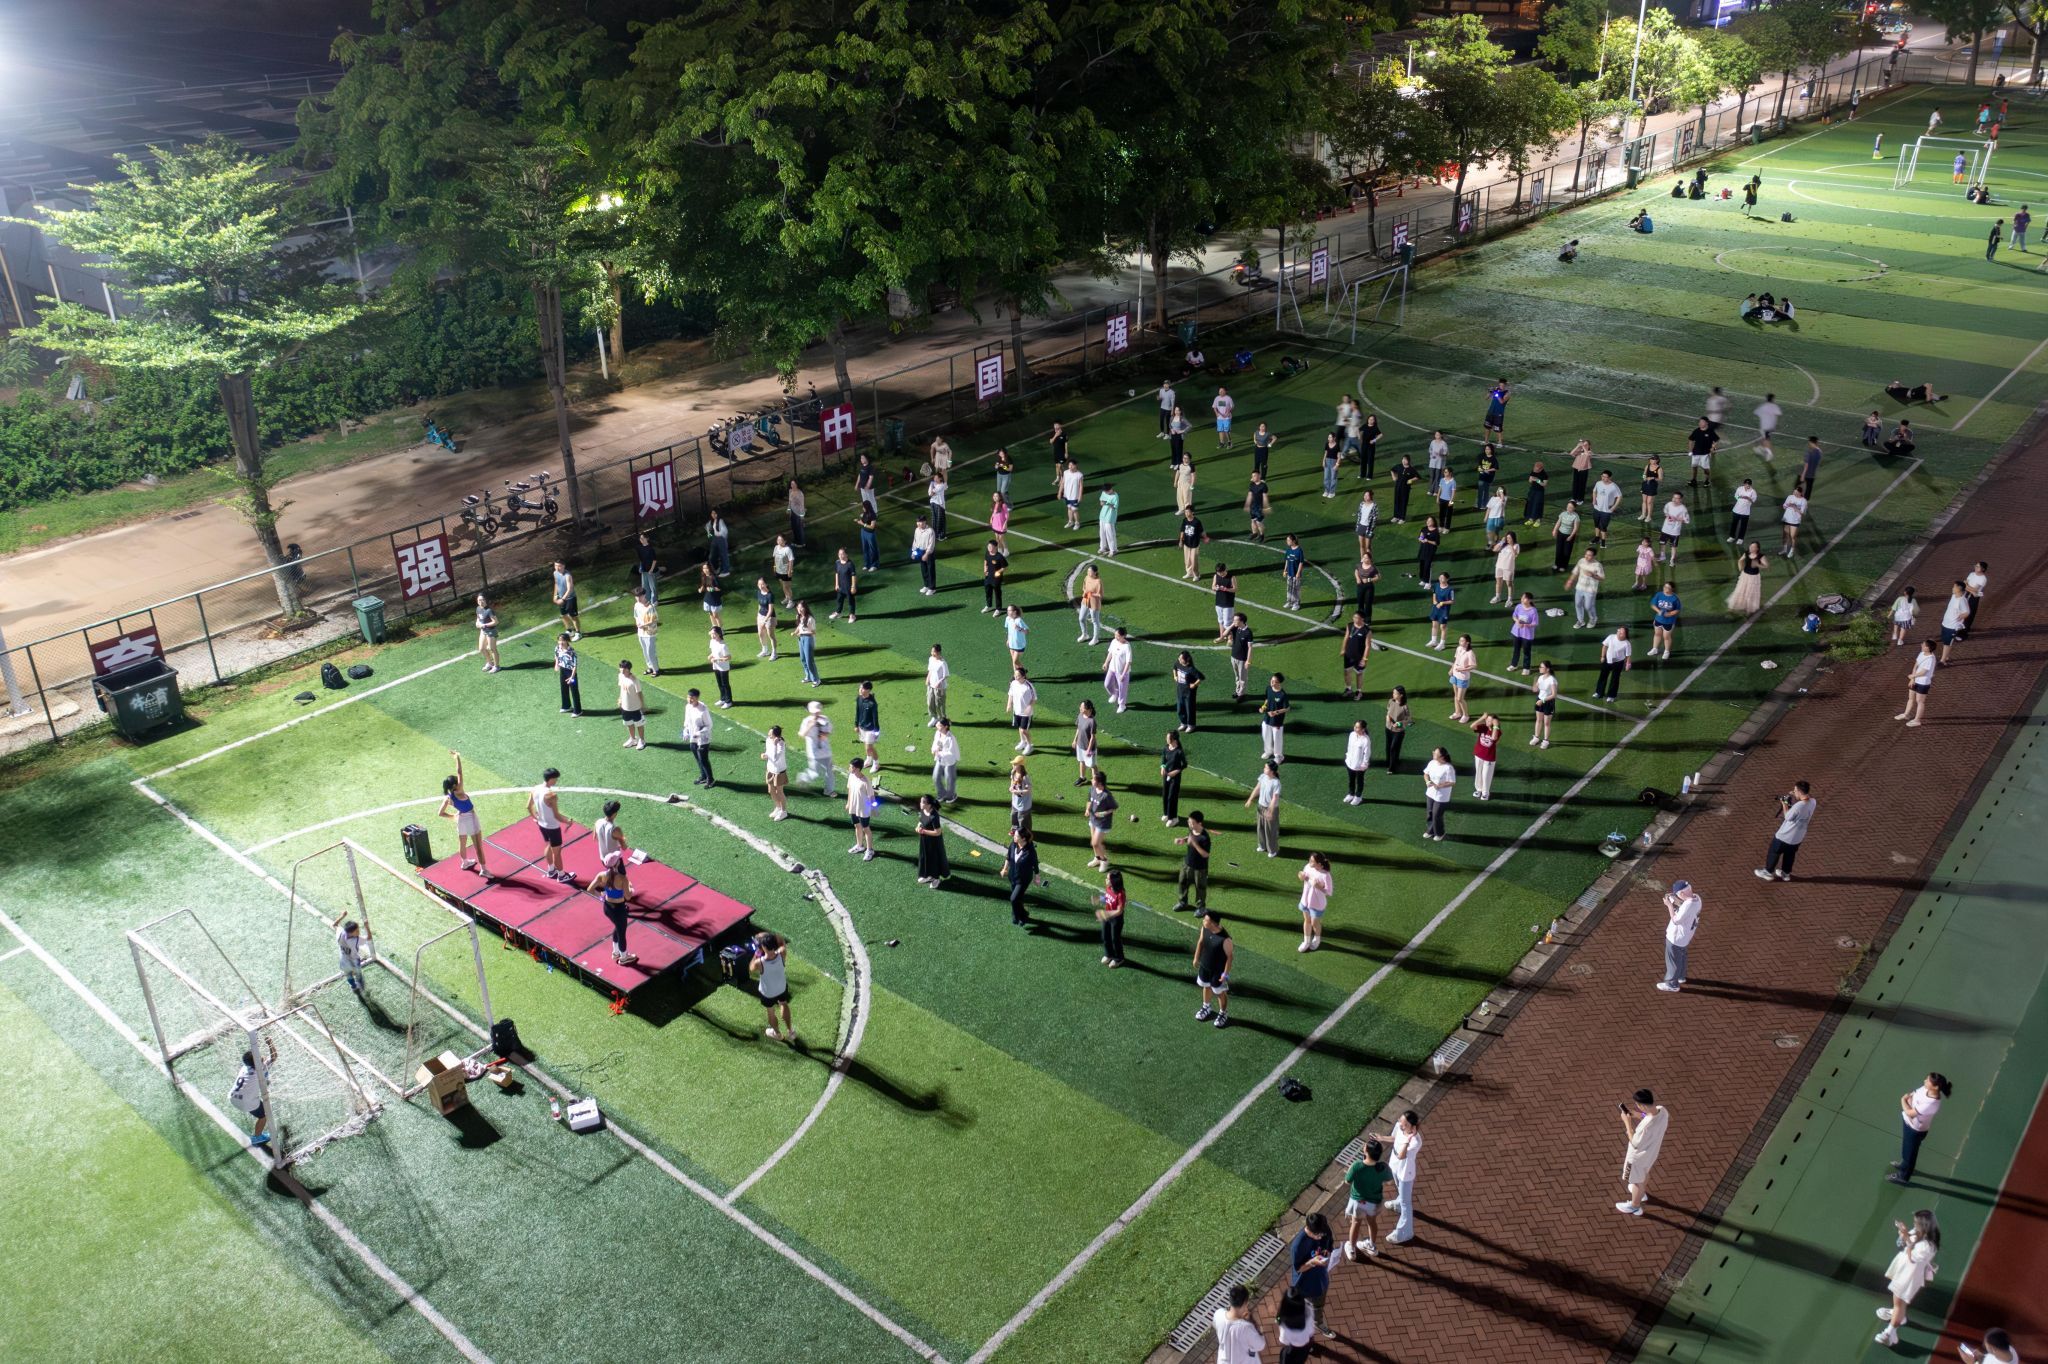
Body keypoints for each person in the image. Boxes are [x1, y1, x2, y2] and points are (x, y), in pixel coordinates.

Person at [1875, 1209, 1941, 1348]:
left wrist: (1905, 1236)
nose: (1914, 1224)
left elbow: (1912, 1258)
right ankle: (1898, 1314)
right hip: (1904, 1269)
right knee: (1898, 1301)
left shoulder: (1929, 1246)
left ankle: (1890, 1334)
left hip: (1910, 1275)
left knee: (1900, 1302)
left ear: (1924, 1225)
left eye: (1916, 1223)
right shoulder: (1917, 1232)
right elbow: (1901, 1244)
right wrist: (1902, 1234)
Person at [1892, 1072, 1954, 1184]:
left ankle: (1903, 1177)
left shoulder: (1931, 1104)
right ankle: (1904, 1165)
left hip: (1915, 1130)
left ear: (1935, 1087)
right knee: (1906, 1149)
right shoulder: (1925, 1088)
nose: (1924, 1081)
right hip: (1909, 1123)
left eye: (1928, 1080)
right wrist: (1909, 1104)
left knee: (1910, 1154)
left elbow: (1910, 1112)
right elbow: (1912, 1096)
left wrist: (1903, 1100)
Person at [1616, 1089, 1669, 1215]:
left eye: (1637, 1105)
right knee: (1644, 1173)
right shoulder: (1662, 1111)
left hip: (1637, 1158)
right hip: (1651, 1154)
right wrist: (1639, 1115)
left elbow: (1634, 1142)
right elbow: (1650, 1117)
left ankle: (1634, 1206)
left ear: (1642, 1105)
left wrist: (1627, 1123)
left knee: (1635, 1181)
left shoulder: (1645, 1128)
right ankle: (1640, 1193)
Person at [438, 751, 491, 876]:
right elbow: (460, 772)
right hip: (471, 818)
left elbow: (440, 813)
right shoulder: (460, 791)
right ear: (455, 785)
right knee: (478, 846)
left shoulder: (448, 798)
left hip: (461, 819)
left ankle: (464, 862)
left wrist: (453, 816)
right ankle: (483, 870)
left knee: (462, 843)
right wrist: (457, 758)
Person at [1343, 1136, 1393, 1260]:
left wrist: (1350, 1170)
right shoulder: (1383, 1167)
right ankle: (1371, 1246)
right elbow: (1389, 1182)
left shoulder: (1357, 1166)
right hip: (1374, 1203)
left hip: (1358, 1202)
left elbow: (1347, 1181)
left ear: (1366, 1151)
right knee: (1372, 1223)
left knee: (1355, 1223)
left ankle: (1352, 1249)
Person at [1288, 1212, 1337, 1339]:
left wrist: (1328, 1252)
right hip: (1305, 1285)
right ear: (1309, 1230)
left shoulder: (1324, 1230)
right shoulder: (1298, 1246)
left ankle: (1318, 1323)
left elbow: (1329, 1245)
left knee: (1318, 1307)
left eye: (1322, 1234)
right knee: (1304, 1309)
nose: (1321, 1237)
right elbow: (1299, 1269)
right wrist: (1312, 1262)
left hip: (1321, 1280)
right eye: (1318, 1235)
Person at [1755, 779, 1816, 881]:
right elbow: (1806, 798)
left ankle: (1768, 872)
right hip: (1798, 837)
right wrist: (1796, 795)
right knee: (1790, 855)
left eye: (1795, 790)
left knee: (1774, 851)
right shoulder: (1813, 802)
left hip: (1785, 836)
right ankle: (1786, 873)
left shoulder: (1798, 806)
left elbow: (1787, 816)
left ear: (1799, 791)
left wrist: (1784, 804)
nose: (1793, 791)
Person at [587, 859, 639, 968]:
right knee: (621, 933)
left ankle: (615, 952)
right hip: (619, 909)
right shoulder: (622, 878)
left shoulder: (601, 875)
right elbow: (628, 896)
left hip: (607, 907)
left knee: (618, 927)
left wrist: (601, 896)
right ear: (618, 863)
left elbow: (590, 889)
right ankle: (624, 958)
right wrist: (630, 887)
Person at [229, 1039, 277, 1147]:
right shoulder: (261, 1069)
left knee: (258, 1106)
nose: (262, 1056)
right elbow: (274, 1056)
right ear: (258, 1061)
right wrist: (270, 1043)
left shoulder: (245, 1067)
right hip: (245, 1102)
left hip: (233, 1097)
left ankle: (257, 1134)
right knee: (264, 1115)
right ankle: (257, 1137)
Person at [1385, 1110, 1422, 1244]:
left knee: (1406, 1203)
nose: (1401, 1125)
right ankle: (1398, 1204)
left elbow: (1402, 1155)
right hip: (1395, 1165)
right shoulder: (1399, 1127)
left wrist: (1408, 1139)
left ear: (1413, 1127)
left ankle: (1405, 1232)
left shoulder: (1416, 1142)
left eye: (1405, 1124)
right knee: (1398, 1189)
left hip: (1406, 1173)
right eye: (1400, 1121)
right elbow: (1394, 1138)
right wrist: (1380, 1137)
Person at [749, 931, 794, 1042]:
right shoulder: (782, 953)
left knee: (771, 1012)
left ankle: (777, 1034)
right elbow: (781, 941)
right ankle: (790, 1031)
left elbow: (751, 968)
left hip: (768, 993)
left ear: (763, 947)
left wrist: (756, 953)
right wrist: (770, 936)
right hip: (781, 988)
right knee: (784, 1004)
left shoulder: (759, 962)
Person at [528, 766, 570, 883]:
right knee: (557, 852)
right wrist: (568, 821)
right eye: (556, 779)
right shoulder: (551, 795)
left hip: (542, 825)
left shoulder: (535, 789)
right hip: (553, 827)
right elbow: (557, 815)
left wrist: (535, 818)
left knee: (548, 846)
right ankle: (561, 875)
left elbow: (528, 806)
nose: (556, 781)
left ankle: (551, 870)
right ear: (551, 779)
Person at [1659, 879, 1700, 993]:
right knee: (1682, 957)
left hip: (1676, 939)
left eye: (1677, 894)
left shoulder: (1687, 906)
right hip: (1686, 938)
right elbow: (1686, 906)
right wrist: (1677, 901)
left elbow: (1676, 920)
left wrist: (1669, 905)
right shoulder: (1697, 899)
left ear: (1681, 894)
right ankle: (1681, 977)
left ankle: (1672, 984)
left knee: (1673, 962)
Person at [1194, 909, 1234, 1027]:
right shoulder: (1205, 928)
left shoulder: (1225, 940)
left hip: (1218, 972)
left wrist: (1225, 974)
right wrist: (1196, 958)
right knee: (1206, 986)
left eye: (1205, 919)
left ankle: (1223, 1013)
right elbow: (1201, 942)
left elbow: (1230, 958)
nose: (1203, 921)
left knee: (1219, 992)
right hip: (1205, 966)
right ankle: (1206, 1007)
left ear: (1213, 923)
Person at [1211, 1285, 1264, 1364]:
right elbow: (1260, 1345)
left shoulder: (1218, 1314)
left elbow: (1216, 1325)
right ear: (1245, 1303)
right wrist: (1252, 1321)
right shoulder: (1246, 1327)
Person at [1173, 811, 1212, 912]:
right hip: (1187, 864)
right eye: (1189, 822)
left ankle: (1201, 907)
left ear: (1199, 823)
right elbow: (1190, 838)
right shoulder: (1191, 830)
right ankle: (1183, 902)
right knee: (1182, 883)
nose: (1189, 824)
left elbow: (1205, 854)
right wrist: (1183, 840)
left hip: (1200, 868)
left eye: (1192, 823)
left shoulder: (1205, 837)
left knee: (1200, 888)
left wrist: (1195, 844)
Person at [799, 700, 836, 797]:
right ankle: (803, 778)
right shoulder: (806, 721)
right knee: (815, 773)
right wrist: (810, 726)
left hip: (825, 750)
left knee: (830, 771)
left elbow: (829, 730)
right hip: (813, 752)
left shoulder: (825, 719)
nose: (817, 713)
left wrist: (825, 735)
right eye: (815, 712)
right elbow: (801, 734)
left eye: (818, 711)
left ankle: (829, 790)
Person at [1247, 759, 1283, 858]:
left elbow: (1275, 798)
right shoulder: (1263, 777)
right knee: (1261, 827)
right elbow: (1257, 788)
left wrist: (1270, 811)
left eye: (1266, 768)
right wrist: (1250, 799)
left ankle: (1272, 850)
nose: (1264, 769)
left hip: (1271, 809)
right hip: (1261, 806)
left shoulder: (1276, 783)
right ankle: (1262, 845)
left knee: (1270, 830)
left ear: (1271, 771)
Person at [1896, 640, 1937, 726]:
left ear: (1928, 648)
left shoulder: (1931, 659)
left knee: (1920, 701)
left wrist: (1912, 676)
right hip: (1915, 680)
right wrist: (1913, 679)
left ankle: (1917, 720)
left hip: (1923, 683)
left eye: (1923, 645)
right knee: (1911, 698)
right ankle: (1906, 714)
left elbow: (1923, 672)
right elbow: (1916, 666)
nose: (1921, 645)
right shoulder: (1921, 653)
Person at [844, 757, 878, 861]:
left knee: (866, 829)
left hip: (863, 809)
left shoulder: (866, 781)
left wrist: (874, 809)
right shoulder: (851, 776)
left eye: (851, 767)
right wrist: (848, 803)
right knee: (857, 826)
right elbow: (850, 790)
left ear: (858, 768)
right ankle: (859, 846)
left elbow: (871, 797)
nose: (849, 768)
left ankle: (870, 850)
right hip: (854, 806)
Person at [1084, 769, 1118, 870]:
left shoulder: (1106, 795)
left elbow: (1114, 808)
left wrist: (1102, 814)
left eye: (1093, 779)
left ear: (1099, 783)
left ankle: (1104, 860)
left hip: (1103, 823)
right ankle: (1097, 858)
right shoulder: (1092, 789)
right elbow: (1089, 800)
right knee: (1095, 843)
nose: (1091, 780)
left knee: (1095, 843)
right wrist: (1087, 809)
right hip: (1093, 820)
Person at [1004, 826, 1038, 927]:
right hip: (1012, 876)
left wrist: (1037, 877)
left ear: (1023, 838)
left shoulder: (1030, 851)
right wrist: (1005, 869)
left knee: (1014, 898)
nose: (1014, 837)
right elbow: (1008, 857)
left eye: (1016, 836)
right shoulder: (1013, 844)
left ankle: (1016, 915)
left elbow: (1035, 864)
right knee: (1018, 898)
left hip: (1023, 879)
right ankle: (1024, 914)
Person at [914, 794, 949, 888]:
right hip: (925, 840)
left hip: (934, 842)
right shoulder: (923, 810)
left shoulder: (934, 816)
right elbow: (921, 821)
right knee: (925, 857)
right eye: (921, 801)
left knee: (934, 859)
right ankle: (928, 875)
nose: (920, 803)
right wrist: (918, 827)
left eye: (923, 802)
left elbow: (938, 832)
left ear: (929, 805)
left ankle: (936, 879)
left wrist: (923, 831)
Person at [682, 689, 715, 787]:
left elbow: (709, 725)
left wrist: (699, 733)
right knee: (698, 758)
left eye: (692, 698)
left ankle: (710, 779)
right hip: (693, 738)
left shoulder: (703, 709)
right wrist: (685, 731)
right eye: (688, 697)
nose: (689, 700)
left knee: (703, 759)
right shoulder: (688, 707)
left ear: (697, 698)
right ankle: (703, 776)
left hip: (703, 739)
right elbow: (687, 721)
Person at [1421, 746, 1455, 841]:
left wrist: (1440, 785)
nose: (1433, 754)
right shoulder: (1432, 763)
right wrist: (1427, 782)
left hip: (1441, 796)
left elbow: (1452, 782)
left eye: (1435, 753)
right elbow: (1426, 774)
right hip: (1430, 793)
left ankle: (1440, 833)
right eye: (1434, 752)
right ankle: (1430, 830)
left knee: (1436, 815)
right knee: (1430, 813)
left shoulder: (1448, 768)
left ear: (1442, 757)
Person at [1567, 548, 1605, 629]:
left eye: (1589, 555)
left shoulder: (1598, 565)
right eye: (1586, 554)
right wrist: (1570, 581)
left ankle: (1593, 619)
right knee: (1578, 604)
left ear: (1594, 556)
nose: (1586, 556)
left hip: (1590, 590)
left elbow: (1602, 578)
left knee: (1588, 606)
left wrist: (1593, 575)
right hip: (1579, 588)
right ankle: (1580, 621)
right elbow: (1575, 571)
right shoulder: (1581, 561)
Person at [614, 658, 648, 750]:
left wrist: (643, 705)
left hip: (635, 707)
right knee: (629, 723)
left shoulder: (634, 680)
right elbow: (621, 688)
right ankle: (633, 739)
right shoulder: (620, 676)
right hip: (625, 707)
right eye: (621, 667)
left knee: (639, 724)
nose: (621, 669)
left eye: (624, 668)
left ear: (628, 669)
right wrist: (620, 698)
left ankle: (642, 740)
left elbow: (639, 693)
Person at [1275, 1289, 1315, 1364]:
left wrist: (1278, 1320)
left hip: (1292, 1349)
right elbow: (1311, 1331)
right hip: (1305, 1345)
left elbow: (1284, 1341)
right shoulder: (1308, 1310)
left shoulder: (1284, 1325)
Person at [1096, 868, 1127, 966]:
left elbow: (1119, 911)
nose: (1106, 880)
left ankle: (1119, 959)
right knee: (1105, 936)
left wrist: (1106, 914)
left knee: (1115, 939)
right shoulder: (1109, 887)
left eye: (1108, 879)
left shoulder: (1121, 894)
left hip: (1116, 920)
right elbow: (1107, 898)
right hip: (1107, 916)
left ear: (1114, 881)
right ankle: (1109, 954)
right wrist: (1099, 899)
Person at [1728, 541, 1768, 615]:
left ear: (1757, 548)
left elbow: (1766, 566)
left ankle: (1749, 608)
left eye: (1753, 547)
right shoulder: (1746, 553)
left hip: (1754, 578)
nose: (1751, 548)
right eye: (1751, 546)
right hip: (1745, 576)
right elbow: (1740, 560)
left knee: (1751, 593)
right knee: (1739, 590)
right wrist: (1741, 569)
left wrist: (1758, 564)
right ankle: (1732, 607)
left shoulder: (1761, 556)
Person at [1258, 672, 1290, 763]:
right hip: (1267, 718)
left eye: (1274, 681)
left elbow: (1287, 708)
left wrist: (1276, 712)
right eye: (1271, 680)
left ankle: (1279, 756)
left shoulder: (1282, 694)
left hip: (1277, 721)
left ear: (1279, 683)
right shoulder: (1268, 689)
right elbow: (1267, 699)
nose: (1272, 682)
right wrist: (1263, 707)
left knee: (1277, 739)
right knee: (1265, 735)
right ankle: (1268, 751)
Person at [1222, 610, 1255, 699]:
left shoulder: (1248, 632)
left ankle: (1241, 694)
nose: (1234, 621)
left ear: (1241, 621)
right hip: (1233, 657)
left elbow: (1250, 647)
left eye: (1235, 620)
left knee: (1242, 678)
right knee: (1237, 676)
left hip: (1242, 659)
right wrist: (1232, 625)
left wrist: (1248, 661)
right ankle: (1237, 691)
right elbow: (1224, 634)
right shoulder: (1236, 628)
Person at [1595, 625, 1632, 702]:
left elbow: (1628, 655)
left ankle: (1611, 696)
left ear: (1625, 635)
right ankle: (1599, 693)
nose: (1619, 633)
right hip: (1607, 660)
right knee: (1603, 676)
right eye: (1619, 631)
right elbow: (1604, 646)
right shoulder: (1611, 637)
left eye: (1621, 633)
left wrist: (1627, 664)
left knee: (1615, 679)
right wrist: (1602, 656)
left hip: (1618, 663)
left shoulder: (1627, 643)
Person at [1159, 729, 1189, 826]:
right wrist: (1162, 767)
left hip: (1175, 778)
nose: (1166, 739)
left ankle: (1174, 818)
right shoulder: (1166, 748)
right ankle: (1166, 814)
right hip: (1166, 775)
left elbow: (1185, 764)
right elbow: (1163, 760)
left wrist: (1176, 771)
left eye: (1168, 738)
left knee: (1172, 797)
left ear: (1174, 740)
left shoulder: (1179, 752)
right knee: (1165, 795)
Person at [1470, 713, 1501, 800]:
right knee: (1478, 773)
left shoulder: (1497, 731)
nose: (1487, 721)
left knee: (1486, 775)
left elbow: (1494, 738)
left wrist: (1496, 726)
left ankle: (1485, 793)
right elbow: (1472, 726)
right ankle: (1478, 789)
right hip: (1478, 755)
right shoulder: (1483, 727)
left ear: (1494, 722)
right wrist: (1481, 718)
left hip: (1489, 758)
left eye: (1489, 721)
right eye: (1487, 720)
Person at [1342, 610, 1372, 699]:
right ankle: (1348, 689)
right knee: (1347, 672)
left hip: (1359, 657)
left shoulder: (1367, 631)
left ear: (1362, 619)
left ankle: (1359, 691)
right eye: (1354, 617)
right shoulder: (1350, 625)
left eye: (1356, 618)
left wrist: (1364, 659)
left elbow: (1368, 646)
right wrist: (1343, 649)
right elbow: (1346, 637)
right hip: (1348, 655)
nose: (1354, 619)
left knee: (1359, 674)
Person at [1006, 665, 1037, 754]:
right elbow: (1010, 694)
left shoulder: (1028, 686)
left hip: (1026, 713)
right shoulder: (1013, 683)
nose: (1016, 677)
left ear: (1023, 676)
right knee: (1020, 728)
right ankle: (1023, 742)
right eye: (1015, 675)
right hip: (1017, 711)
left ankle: (1029, 745)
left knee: (1024, 730)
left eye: (1018, 676)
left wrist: (1029, 707)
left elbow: (1034, 699)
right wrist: (1009, 704)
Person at [762, 724, 789, 821]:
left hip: (779, 771)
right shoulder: (768, 740)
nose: (769, 735)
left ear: (776, 736)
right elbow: (768, 753)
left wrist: (775, 744)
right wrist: (764, 755)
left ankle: (783, 811)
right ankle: (778, 807)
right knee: (771, 791)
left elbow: (775, 758)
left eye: (771, 734)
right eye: (769, 734)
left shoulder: (781, 744)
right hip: (770, 769)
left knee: (779, 792)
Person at [930, 717, 960, 805]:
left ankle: (951, 796)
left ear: (945, 727)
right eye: (937, 725)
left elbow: (951, 753)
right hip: (940, 759)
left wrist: (939, 753)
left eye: (939, 725)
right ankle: (942, 794)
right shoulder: (938, 733)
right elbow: (936, 743)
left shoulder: (951, 738)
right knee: (936, 777)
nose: (937, 726)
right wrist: (934, 750)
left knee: (950, 779)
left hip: (949, 762)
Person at [336, 918, 370, 994]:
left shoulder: (341, 933)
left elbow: (335, 925)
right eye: (357, 931)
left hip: (344, 961)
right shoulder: (356, 940)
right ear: (351, 932)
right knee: (358, 974)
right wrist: (367, 926)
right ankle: (361, 986)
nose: (359, 932)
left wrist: (342, 916)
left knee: (348, 975)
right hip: (354, 961)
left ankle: (354, 987)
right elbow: (369, 937)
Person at [853, 679, 881, 770]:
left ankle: (876, 763)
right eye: (860, 688)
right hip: (861, 727)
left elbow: (875, 719)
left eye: (862, 688)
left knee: (870, 747)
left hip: (870, 729)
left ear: (868, 690)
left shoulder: (872, 704)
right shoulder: (859, 698)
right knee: (866, 745)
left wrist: (876, 732)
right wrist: (856, 725)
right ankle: (869, 760)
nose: (860, 690)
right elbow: (857, 712)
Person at [1173, 650, 1204, 732]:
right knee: (1180, 708)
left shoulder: (1191, 669)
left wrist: (1194, 684)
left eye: (1181, 658)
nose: (1179, 659)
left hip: (1189, 693)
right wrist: (1175, 676)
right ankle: (1183, 723)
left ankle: (1191, 725)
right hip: (1180, 690)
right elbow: (1174, 668)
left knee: (1189, 709)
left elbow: (1201, 677)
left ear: (1186, 659)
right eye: (1179, 658)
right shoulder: (1178, 663)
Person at [1384, 685, 1412, 775]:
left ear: (1401, 695)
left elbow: (1408, 720)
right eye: (1393, 693)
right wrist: (1387, 717)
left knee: (1393, 748)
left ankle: (1391, 768)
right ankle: (1390, 762)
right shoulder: (1390, 701)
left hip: (1398, 731)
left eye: (1395, 693)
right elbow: (1388, 711)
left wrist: (1399, 723)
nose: (1393, 694)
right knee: (1388, 747)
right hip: (1388, 728)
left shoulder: (1404, 707)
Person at [1590, 470, 1622, 548]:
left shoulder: (1614, 486)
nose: (1603, 478)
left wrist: (1614, 507)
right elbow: (1594, 491)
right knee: (1596, 524)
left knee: (1603, 527)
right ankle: (1597, 538)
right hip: (1597, 508)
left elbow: (1619, 496)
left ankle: (1603, 542)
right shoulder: (1598, 483)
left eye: (1605, 477)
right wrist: (1594, 500)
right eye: (1602, 476)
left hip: (1606, 511)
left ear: (1610, 477)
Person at [1509, 591, 1538, 674]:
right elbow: (1514, 615)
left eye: (1524, 598)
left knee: (1526, 651)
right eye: (1522, 597)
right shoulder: (1518, 606)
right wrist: (1517, 621)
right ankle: (1514, 665)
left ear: (1529, 600)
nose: (1522, 599)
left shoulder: (1533, 611)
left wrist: (1526, 625)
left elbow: (1535, 623)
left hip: (1527, 634)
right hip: (1516, 632)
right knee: (1516, 649)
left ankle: (1526, 668)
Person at [554, 632, 583, 715]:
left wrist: (572, 677)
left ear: (567, 641)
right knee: (563, 688)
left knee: (574, 691)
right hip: (563, 670)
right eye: (559, 640)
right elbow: (556, 656)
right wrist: (556, 664)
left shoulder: (572, 652)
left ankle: (578, 711)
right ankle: (566, 706)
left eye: (563, 640)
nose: (561, 642)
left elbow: (574, 666)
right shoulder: (557, 648)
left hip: (571, 672)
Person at [1532, 660, 1559, 748]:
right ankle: (1536, 738)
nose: (1539, 668)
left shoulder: (1552, 680)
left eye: (1541, 667)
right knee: (1538, 720)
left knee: (1546, 723)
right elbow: (1536, 689)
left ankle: (1545, 741)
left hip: (1548, 702)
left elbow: (1554, 695)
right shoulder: (1540, 677)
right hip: (1539, 700)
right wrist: (1535, 684)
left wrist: (1542, 700)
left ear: (1547, 669)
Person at [1650, 582, 1680, 660]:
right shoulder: (1659, 594)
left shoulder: (1675, 598)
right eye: (1664, 587)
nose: (1665, 589)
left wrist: (1669, 614)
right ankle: (1655, 649)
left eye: (1668, 588)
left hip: (1668, 621)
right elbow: (1653, 604)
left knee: (1666, 637)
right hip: (1658, 619)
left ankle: (1667, 651)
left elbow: (1677, 610)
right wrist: (1659, 611)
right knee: (1657, 634)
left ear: (1672, 589)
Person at [551, 560, 580, 639]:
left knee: (573, 616)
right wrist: (555, 595)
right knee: (563, 615)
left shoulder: (568, 575)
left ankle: (578, 633)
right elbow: (556, 583)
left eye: (559, 566)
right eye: (555, 565)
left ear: (564, 566)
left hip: (570, 598)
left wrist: (563, 599)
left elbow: (570, 589)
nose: (557, 568)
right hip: (561, 597)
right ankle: (570, 630)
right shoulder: (555, 573)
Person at [795, 601, 821, 687]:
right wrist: (795, 632)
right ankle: (808, 676)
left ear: (805, 608)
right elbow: (799, 626)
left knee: (809, 660)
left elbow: (813, 632)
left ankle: (816, 679)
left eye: (801, 607)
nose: (800, 609)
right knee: (803, 659)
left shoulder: (810, 619)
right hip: (801, 639)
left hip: (808, 639)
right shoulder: (799, 617)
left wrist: (803, 632)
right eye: (798, 607)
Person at [1076, 563, 1104, 645]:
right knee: (1081, 618)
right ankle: (1084, 634)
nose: (1088, 573)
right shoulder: (1086, 577)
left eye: (1090, 571)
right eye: (1088, 571)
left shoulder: (1098, 581)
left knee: (1095, 621)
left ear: (1095, 572)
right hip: (1085, 600)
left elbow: (1100, 595)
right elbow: (1084, 587)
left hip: (1094, 603)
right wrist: (1085, 591)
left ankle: (1095, 639)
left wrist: (1092, 594)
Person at [1427, 571, 1455, 651]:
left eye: (1442, 578)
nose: (1440, 579)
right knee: (1434, 624)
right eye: (1440, 577)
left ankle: (1442, 644)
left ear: (1447, 579)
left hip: (1444, 610)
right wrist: (1434, 601)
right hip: (1436, 608)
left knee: (1443, 627)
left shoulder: (1450, 590)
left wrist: (1442, 603)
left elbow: (1452, 601)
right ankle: (1434, 641)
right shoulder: (1436, 585)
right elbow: (1434, 594)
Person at [706, 627, 734, 708]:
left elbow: (728, 657)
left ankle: (729, 701)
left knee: (725, 684)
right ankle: (723, 699)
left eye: (714, 634)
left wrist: (717, 659)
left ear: (719, 634)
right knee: (719, 683)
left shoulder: (723, 646)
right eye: (712, 634)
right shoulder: (712, 642)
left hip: (723, 667)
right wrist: (710, 656)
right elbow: (713, 652)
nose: (712, 635)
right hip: (716, 666)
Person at [911, 515, 938, 596]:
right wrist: (913, 552)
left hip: (928, 553)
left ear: (925, 522)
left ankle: (932, 588)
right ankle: (926, 585)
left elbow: (931, 544)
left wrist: (926, 554)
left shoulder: (930, 531)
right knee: (923, 569)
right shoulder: (917, 530)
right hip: (920, 551)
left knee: (930, 570)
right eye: (918, 522)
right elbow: (915, 542)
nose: (919, 524)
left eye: (921, 522)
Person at [1779, 485, 1808, 559]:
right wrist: (1788, 505)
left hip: (1795, 521)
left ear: (1800, 493)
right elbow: (1784, 506)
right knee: (1785, 535)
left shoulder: (1803, 501)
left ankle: (1792, 551)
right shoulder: (1790, 497)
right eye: (1794, 492)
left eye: (1796, 492)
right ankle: (1784, 549)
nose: (1794, 493)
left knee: (1792, 536)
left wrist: (1795, 507)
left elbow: (1803, 513)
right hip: (1787, 518)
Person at [754, 576, 779, 660]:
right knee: (760, 634)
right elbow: (759, 605)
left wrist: (765, 620)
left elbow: (770, 610)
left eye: (762, 584)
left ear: (766, 584)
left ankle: (774, 653)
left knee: (771, 635)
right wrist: (758, 615)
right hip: (760, 615)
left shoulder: (770, 595)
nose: (761, 586)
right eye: (759, 584)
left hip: (769, 617)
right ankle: (765, 650)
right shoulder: (759, 592)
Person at [1553, 500, 1582, 572]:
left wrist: (1571, 536)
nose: (1569, 508)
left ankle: (1563, 565)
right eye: (1568, 507)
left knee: (1566, 552)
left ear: (1574, 508)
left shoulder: (1576, 516)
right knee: (1559, 550)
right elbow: (1558, 523)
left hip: (1569, 535)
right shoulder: (1563, 514)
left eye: (1571, 507)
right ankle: (1557, 564)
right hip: (1560, 534)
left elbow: (1575, 528)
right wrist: (1554, 530)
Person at [474, 594, 501, 673]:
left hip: (491, 631)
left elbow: (496, 622)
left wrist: (484, 625)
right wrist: (477, 623)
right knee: (481, 648)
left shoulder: (489, 610)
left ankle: (497, 666)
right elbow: (478, 618)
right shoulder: (478, 609)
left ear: (485, 600)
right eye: (479, 600)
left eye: (482, 600)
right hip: (483, 631)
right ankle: (490, 663)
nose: (481, 602)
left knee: (492, 649)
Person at [634, 529, 661, 604]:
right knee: (645, 586)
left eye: (642, 538)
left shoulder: (650, 549)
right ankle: (648, 599)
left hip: (651, 570)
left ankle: (655, 600)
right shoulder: (640, 548)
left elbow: (654, 560)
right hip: (644, 570)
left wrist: (651, 569)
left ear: (647, 539)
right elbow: (641, 560)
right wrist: (640, 567)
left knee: (653, 586)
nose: (641, 540)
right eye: (640, 538)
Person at [1010, 754, 1035, 835]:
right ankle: (1015, 829)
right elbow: (1012, 782)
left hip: (1024, 803)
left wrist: (1018, 792)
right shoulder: (1013, 772)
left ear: (1020, 766)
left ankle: (1025, 834)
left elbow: (1029, 790)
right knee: (1014, 815)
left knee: (1023, 819)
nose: (1013, 765)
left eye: (1015, 764)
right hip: (1015, 801)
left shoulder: (1025, 777)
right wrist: (1011, 787)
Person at [830, 548, 858, 623]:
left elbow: (853, 576)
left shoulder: (850, 564)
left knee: (850, 601)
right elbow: (836, 573)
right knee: (839, 600)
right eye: (839, 554)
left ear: (846, 554)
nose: (840, 555)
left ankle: (852, 615)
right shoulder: (837, 562)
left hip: (848, 586)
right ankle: (838, 612)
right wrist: (836, 584)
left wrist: (853, 586)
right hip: (840, 586)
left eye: (842, 554)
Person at [981, 539, 1008, 615]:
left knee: (997, 593)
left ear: (995, 547)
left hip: (996, 579)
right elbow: (986, 561)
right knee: (988, 592)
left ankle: (998, 609)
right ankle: (989, 606)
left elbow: (1005, 567)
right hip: (988, 577)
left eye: (991, 546)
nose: (989, 548)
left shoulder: (999, 557)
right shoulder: (987, 553)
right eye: (988, 546)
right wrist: (985, 569)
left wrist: (998, 572)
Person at [1282, 533, 1307, 611]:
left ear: (1293, 541)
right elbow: (1287, 560)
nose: (1287, 542)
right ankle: (1289, 602)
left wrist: (1298, 573)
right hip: (1289, 572)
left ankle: (1296, 604)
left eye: (1288, 540)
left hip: (1296, 573)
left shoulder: (1299, 550)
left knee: (1296, 589)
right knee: (1289, 588)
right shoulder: (1288, 550)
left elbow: (1301, 562)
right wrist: (1285, 570)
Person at [1179, 508, 1207, 579]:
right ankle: (1189, 573)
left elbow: (1202, 531)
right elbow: (1182, 531)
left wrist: (1205, 537)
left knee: (1194, 561)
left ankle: (1196, 575)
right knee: (1187, 560)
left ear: (1192, 512)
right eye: (1185, 512)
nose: (1186, 514)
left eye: (1188, 512)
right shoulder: (1185, 520)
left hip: (1194, 544)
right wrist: (1181, 541)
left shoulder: (1197, 522)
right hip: (1186, 543)